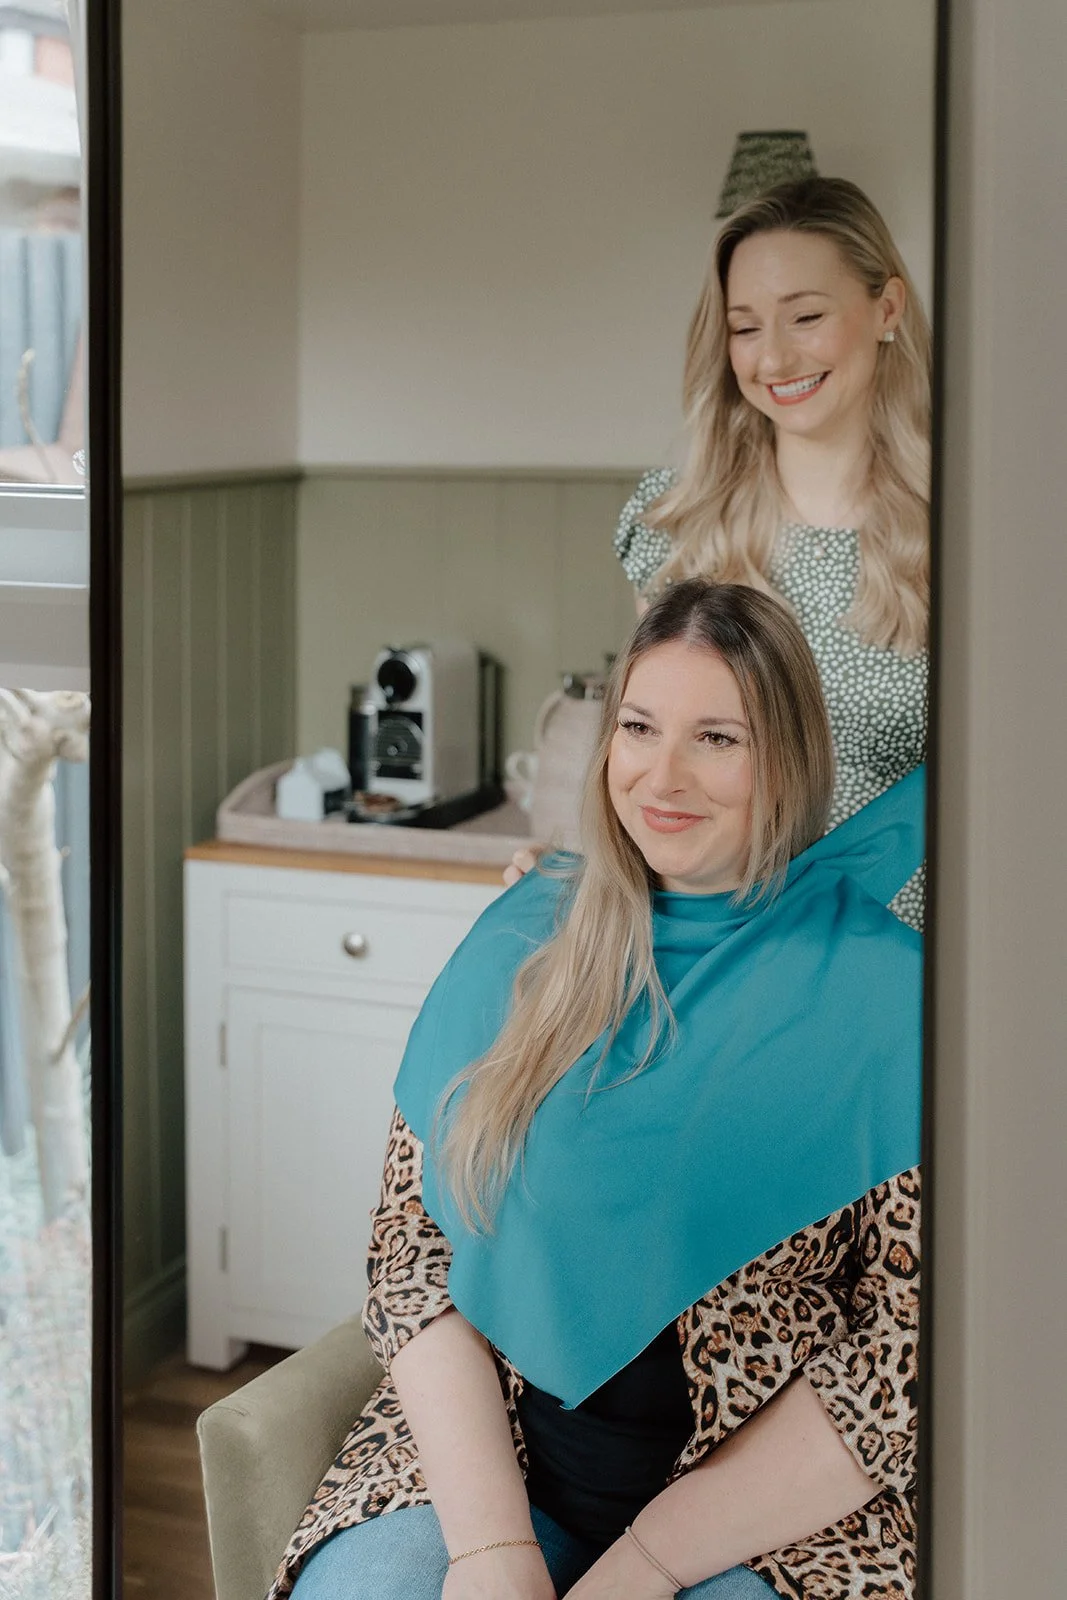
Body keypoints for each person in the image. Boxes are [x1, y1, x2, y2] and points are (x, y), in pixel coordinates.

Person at [270, 580, 924, 1600]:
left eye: (716, 738)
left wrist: (649, 1566)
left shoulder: (887, 992)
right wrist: (492, 1553)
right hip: (497, 1469)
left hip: (766, 1523)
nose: (661, 776)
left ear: (785, 759)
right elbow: (411, 1252)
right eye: (638, 727)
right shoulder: (518, 941)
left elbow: (903, 1354)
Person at [508, 177, 929, 930]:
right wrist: (573, 867)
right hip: (720, 956)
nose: (772, 357)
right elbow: (645, 757)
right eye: (744, 327)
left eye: (804, 316)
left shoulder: (969, 533)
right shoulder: (680, 524)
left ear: (886, 309)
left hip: (899, 964)